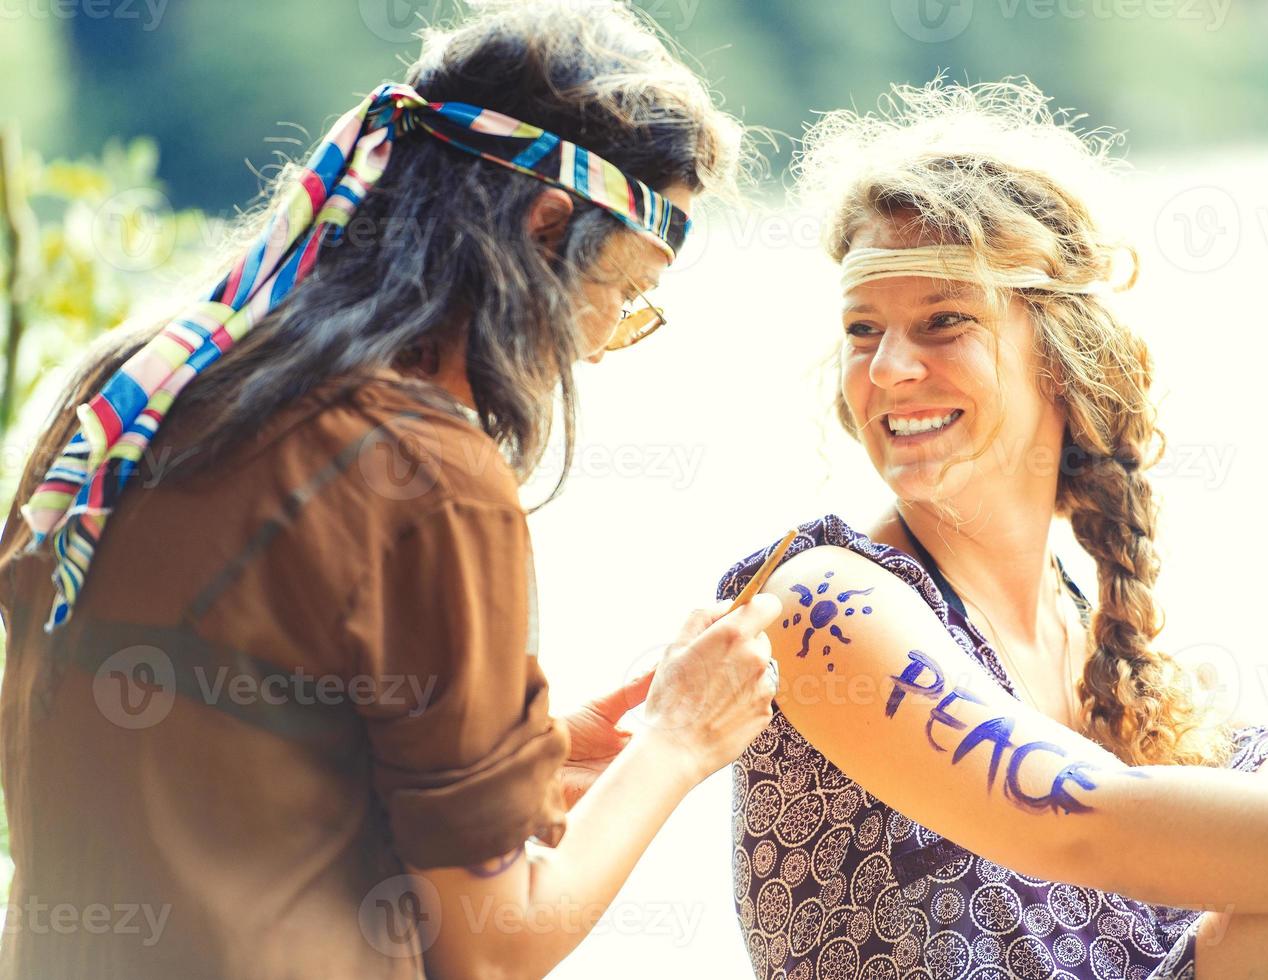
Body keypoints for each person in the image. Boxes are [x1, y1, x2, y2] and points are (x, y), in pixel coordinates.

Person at [0, 3, 782, 978]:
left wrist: (523, 756)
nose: (597, 342)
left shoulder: (135, 385)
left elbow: (219, 746)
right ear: (545, 234)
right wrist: (675, 741)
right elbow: (494, 946)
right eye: (622, 290)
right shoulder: (424, 475)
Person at [717, 81, 1268, 980]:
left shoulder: (1090, 630)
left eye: (943, 322)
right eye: (862, 329)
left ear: (1059, 349)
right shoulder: (822, 600)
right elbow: (1080, 819)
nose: (889, 368)